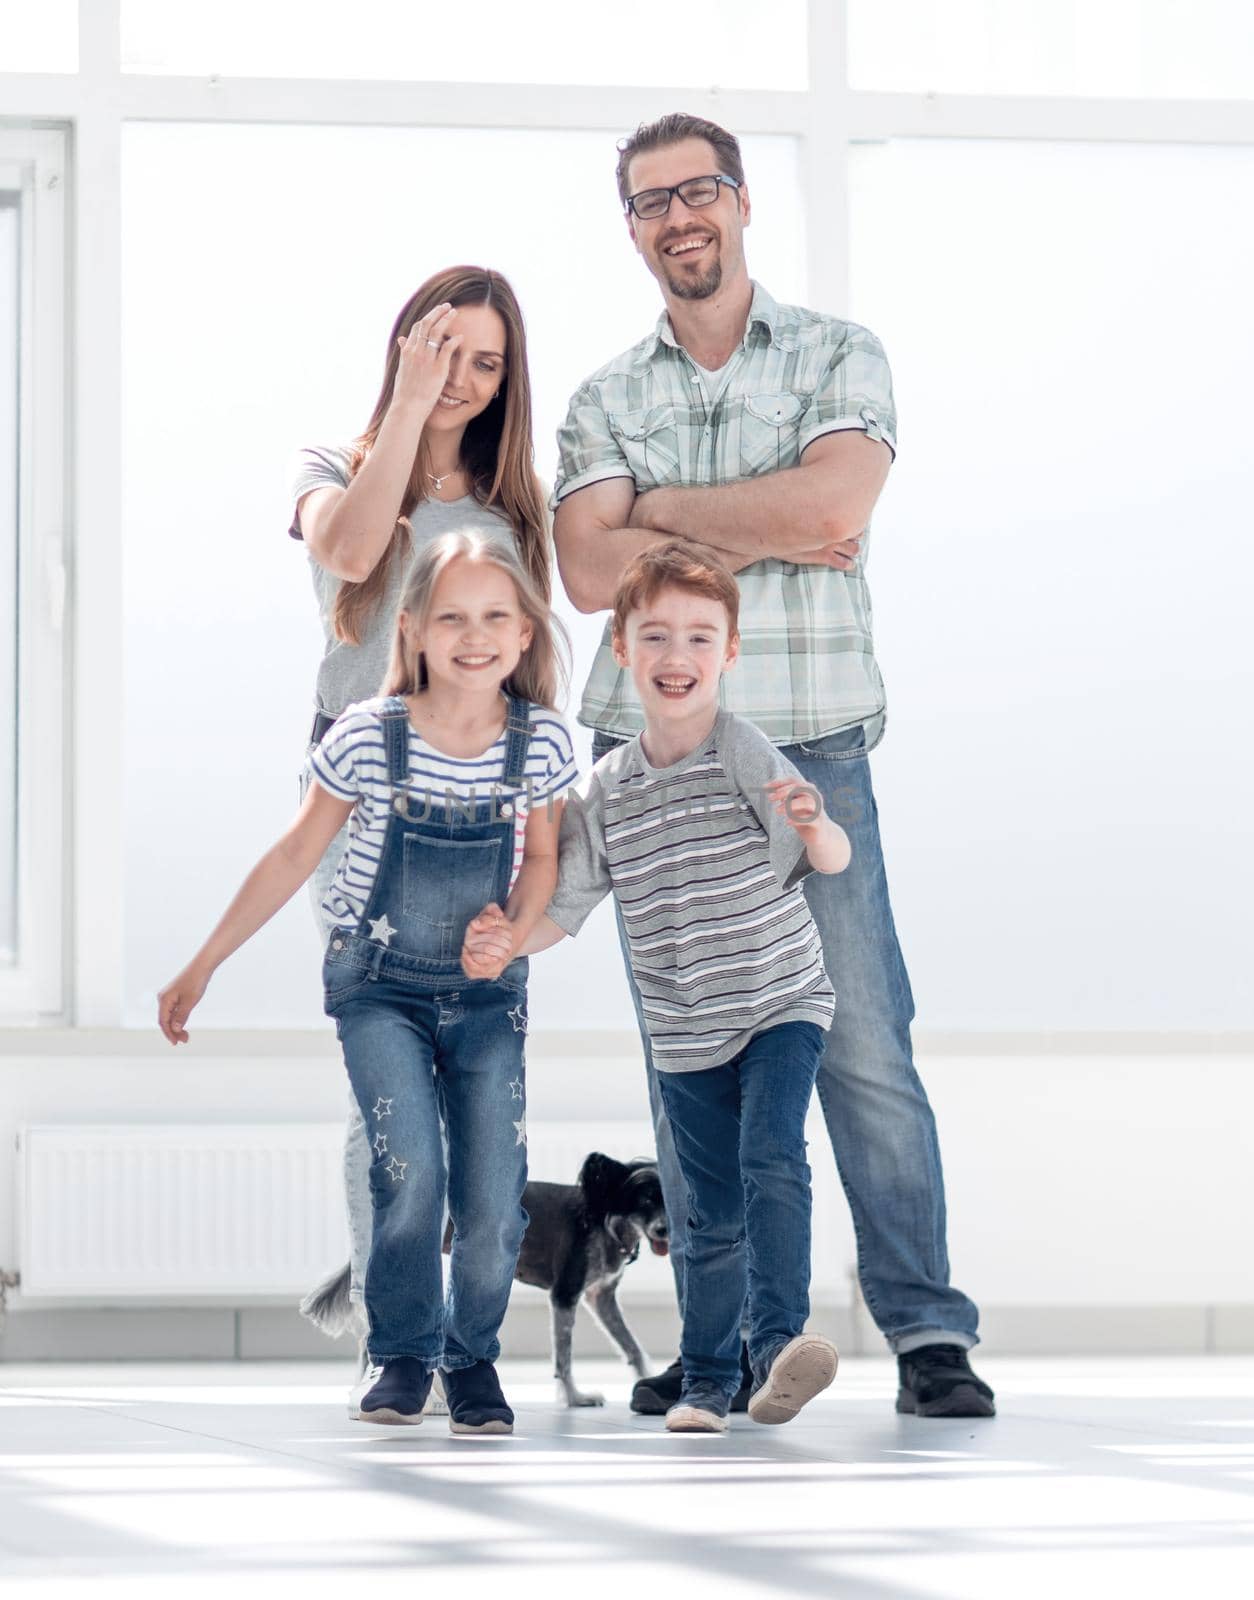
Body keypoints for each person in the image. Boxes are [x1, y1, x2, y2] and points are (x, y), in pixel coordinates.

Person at [549, 112, 994, 1419]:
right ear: (630, 228)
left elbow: (830, 508)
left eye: (697, 192)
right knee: (689, 1063)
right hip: (658, 768)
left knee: (861, 1049)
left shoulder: (834, 354)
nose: (677, 218)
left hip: (812, 754)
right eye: (649, 203)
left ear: (739, 203)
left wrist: (662, 518)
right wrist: (768, 515)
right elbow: (583, 572)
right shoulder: (602, 397)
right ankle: (720, 1346)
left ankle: (923, 1332)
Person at [158, 531, 577, 1434]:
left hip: (484, 995)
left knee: (495, 1191)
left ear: (526, 632)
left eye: (496, 616)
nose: (476, 635)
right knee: (410, 1168)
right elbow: (293, 852)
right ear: (415, 628)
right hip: (377, 986)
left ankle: (473, 1361)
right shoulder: (367, 735)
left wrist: (508, 933)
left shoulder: (540, 742)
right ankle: (402, 1352)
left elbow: (542, 858)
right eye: (453, 617)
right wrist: (203, 963)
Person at [467, 541, 847, 1433]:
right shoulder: (604, 789)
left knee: (771, 1160)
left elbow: (829, 859)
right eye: (658, 637)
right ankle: (710, 1383)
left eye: (700, 638)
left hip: (780, 1002)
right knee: (704, 1211)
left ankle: (779, 1343)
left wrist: (818, 822)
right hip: (685, 1034)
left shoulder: (745, 751)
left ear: (730, 653)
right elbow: (568, 911)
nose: (679, 657)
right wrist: (506, 943)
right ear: (624, 651)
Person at [289, 267, 551, 1331]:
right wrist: (409, 401)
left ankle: (448, 1325)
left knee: (477, 1078)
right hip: (361, 800)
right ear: (407, 346)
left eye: (487, 363)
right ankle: (396, 1339)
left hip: (485, 810)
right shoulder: (330, 470)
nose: (463, 380)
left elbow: (534, 660)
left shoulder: (513, 509)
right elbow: (352, 552)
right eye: (446, 352)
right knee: (384, 1074)